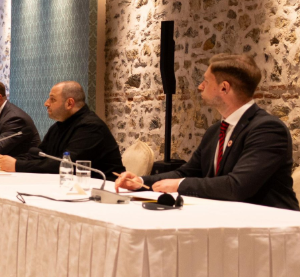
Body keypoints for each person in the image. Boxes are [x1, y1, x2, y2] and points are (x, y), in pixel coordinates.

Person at [115, 54, 298, 210]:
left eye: (206, 81)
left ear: (224, 87)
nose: (200, 86)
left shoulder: (268, 129)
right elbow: (187, 172)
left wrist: (179, 185)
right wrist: (140, 182)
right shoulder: (215, 131)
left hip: (272, 227)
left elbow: (237, 186)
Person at [0, 81, 124, 176]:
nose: (46, 103)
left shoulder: (91, 127)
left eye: (52, 99)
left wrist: (17, 165)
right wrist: (6, 160)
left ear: (69, 103)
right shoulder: (59, 125)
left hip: (104, 189)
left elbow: (67, 165)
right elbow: (39, 155)